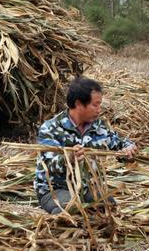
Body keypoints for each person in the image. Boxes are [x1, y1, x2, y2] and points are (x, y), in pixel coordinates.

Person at [34, 77, 138, 214]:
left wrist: (129, 149)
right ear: (78, 104)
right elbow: (50, 165)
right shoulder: (51, 129)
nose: (99, 110)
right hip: (56, 189)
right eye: (95, 105)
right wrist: (69, 158)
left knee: (109, 207)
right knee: (71, 209)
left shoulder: (98, 127)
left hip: (87, 188)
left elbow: (120, 143)